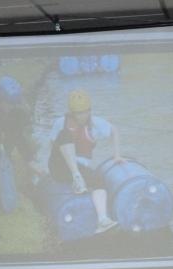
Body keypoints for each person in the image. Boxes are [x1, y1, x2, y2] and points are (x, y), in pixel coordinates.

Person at [48, 89, 120, 234]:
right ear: (72, 112)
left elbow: (114, 130)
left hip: (81, 167)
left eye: (85, 111)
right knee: (64, 134)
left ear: (90, 110)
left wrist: (117, 155)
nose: (82, 115)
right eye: (78, 113)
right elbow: (51, 144)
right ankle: (77, 177)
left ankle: (103, 220)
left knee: (99, 181)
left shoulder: (96, 123)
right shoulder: (60, 123)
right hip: (59, 166)